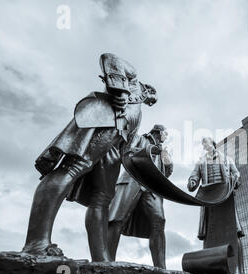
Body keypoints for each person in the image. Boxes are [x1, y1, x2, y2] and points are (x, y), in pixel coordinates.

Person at [22, 53, 157, 262]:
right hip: (108, 120)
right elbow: (110, 58)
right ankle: (36, 242)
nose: (151, 98)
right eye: (151, 93)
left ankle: (100, 259)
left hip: (117, 140)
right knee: (73, 168)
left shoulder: (138, 106)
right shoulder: (133, 79)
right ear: (146, 88)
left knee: (103, 196)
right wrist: (118, 89)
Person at [107, 125, 173, 269]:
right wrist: (149, 151)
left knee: (159, 222)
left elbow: (167, 173)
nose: (166, 137)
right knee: (117, 220)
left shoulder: (163, 150)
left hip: (152, 189)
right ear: (158, 132)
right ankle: (106, 262)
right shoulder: (139, 139)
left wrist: (167, 159)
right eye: (165, 133)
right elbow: (126, 153)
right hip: (132, 182)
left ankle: (161, 268)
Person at [187, 137, 245, 274]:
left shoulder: (227, 159)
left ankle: (239, 272)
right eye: (202, 144)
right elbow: (194, 176)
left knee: (234, 232)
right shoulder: (200, 162)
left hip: (225, 198)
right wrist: (193, 182)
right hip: (209, 200)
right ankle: (211, 270)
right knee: (209, 232)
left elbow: (236, 173)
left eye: (205, 143)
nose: (204, 146)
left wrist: (235, 179)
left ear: (212, 144)